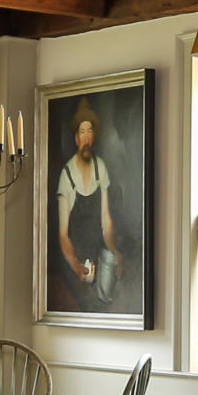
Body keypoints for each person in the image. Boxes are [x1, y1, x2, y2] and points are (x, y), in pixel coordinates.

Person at [53, 101, 121, 310]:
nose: (86, 138)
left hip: (96, 250)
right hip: (72, 253)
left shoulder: (100, 168)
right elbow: (63, 234)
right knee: (86, 303)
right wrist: (75, 264)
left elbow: (105, 219)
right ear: (76, 138)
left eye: (89, 132)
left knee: (109, 298)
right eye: (82, 132)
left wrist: (114, 251)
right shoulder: (67, 175)